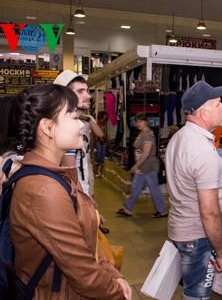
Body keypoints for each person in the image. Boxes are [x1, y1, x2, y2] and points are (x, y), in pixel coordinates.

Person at [0, 84, 131, 299]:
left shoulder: (54, 176)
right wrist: (118, 291)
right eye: (72, 117)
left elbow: (83, 246)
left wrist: (109, 271)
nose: (81, 124)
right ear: (47, 127)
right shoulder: (44, 189)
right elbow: (82, 272)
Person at [165, 80, 222, 300]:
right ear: (203, 113)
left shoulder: (179, 138)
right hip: (198, 238)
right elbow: (209, 212)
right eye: (218, 103)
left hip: (180, 230)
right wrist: (220, 252)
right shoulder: (202, 151)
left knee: (190, 291)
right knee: (197, 295)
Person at [54, 70, 110, 234]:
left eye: (87, 91)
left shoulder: (77, 122)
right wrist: (86, 203)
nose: (88, 96)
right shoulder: (64, 126)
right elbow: (70, 173)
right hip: (71, 197)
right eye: (80, 91)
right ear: (65, 95)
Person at [116, 112, 167, 218]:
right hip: (143, 165)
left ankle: (162, 211)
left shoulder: (148, 134)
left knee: (153, 188)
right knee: (136, 187)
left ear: (146, 122)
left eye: (141, 121)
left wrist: (136, 166)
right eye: (137, 121)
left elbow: (146, 153)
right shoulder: (142, 132)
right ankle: (128, 209)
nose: (138, 123)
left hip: (148, 165)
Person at [94, 110, 109, 177]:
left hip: (103, 141)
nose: (105, 118)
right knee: (98, 155)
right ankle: (96, 170)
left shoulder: (104, 124)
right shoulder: (97, 124)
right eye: (104, 116)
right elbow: (94, 133)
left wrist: (107, 140)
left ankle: (98, 170)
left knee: (102, 155)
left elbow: (106, 133)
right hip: (98, 141)